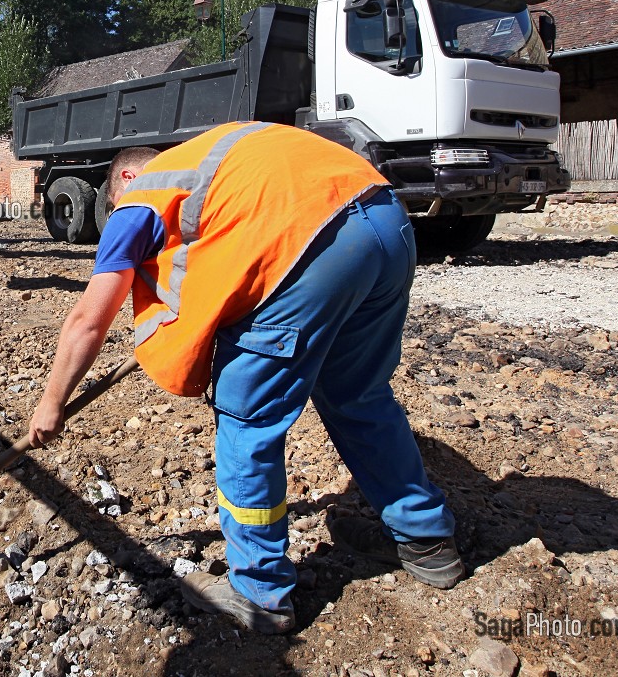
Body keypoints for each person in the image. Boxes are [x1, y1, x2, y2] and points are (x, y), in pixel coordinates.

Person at [28, 121, 460, 635]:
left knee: (247, 418)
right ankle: (427, 542)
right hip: (387, 223)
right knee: (358, 394)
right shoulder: (224, 157)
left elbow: (89, 320)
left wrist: (52, 401)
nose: (119, 218)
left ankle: (259, 593)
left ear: (125, 174)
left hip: (308, 242)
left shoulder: (143, 193)